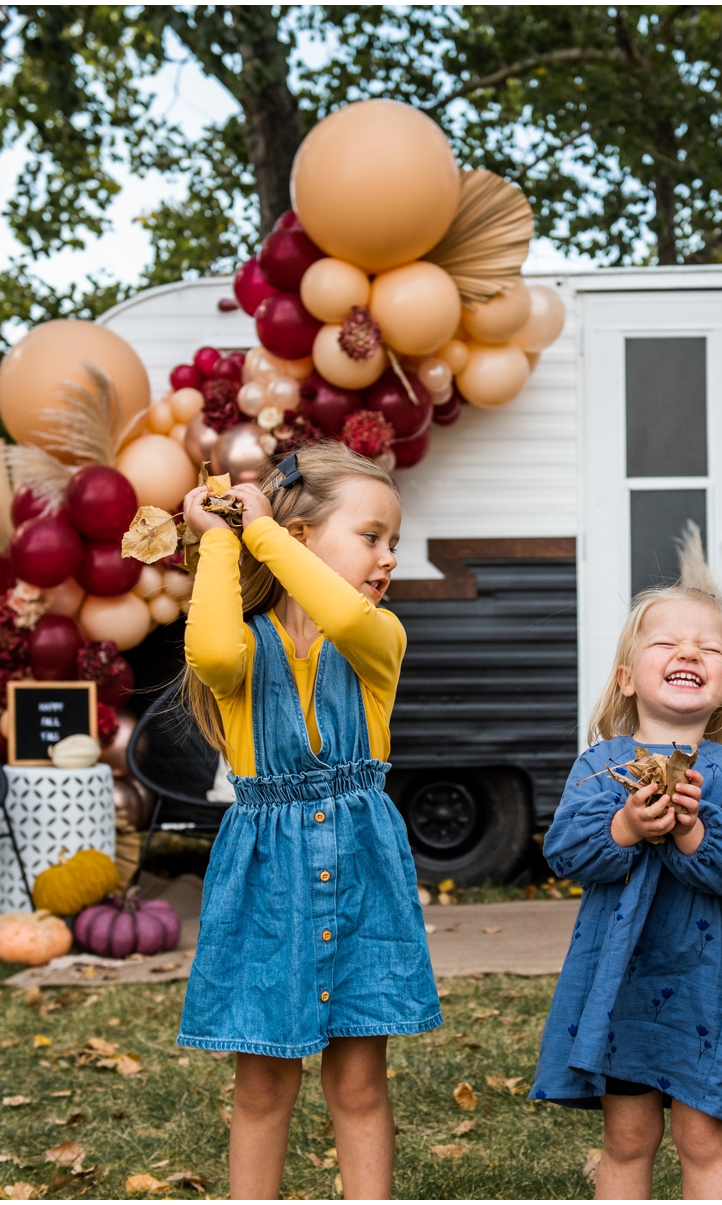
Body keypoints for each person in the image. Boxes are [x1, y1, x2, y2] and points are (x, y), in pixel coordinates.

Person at [175, 442, 440, 1200]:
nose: (388, 556)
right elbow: (213, 648)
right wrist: (224, 538)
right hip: (269, 885)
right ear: (299, 540)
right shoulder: (244, 648)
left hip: (363, 881)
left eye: (394, 540)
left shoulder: (376, 640)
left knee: (359, 1084)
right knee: (263, 1085)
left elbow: (344, 613)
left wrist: (261, 533)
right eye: (371, 536)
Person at [531, 585, 722, 1200]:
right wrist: (629, 825)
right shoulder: (599, 766)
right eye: (666, 642)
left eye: (708, 648)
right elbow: (566, 853)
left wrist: (691, 829)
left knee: (703, 1140)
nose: (688, 652)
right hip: (621, 989)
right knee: (628, 1140)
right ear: (627, 678)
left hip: (705, 987)